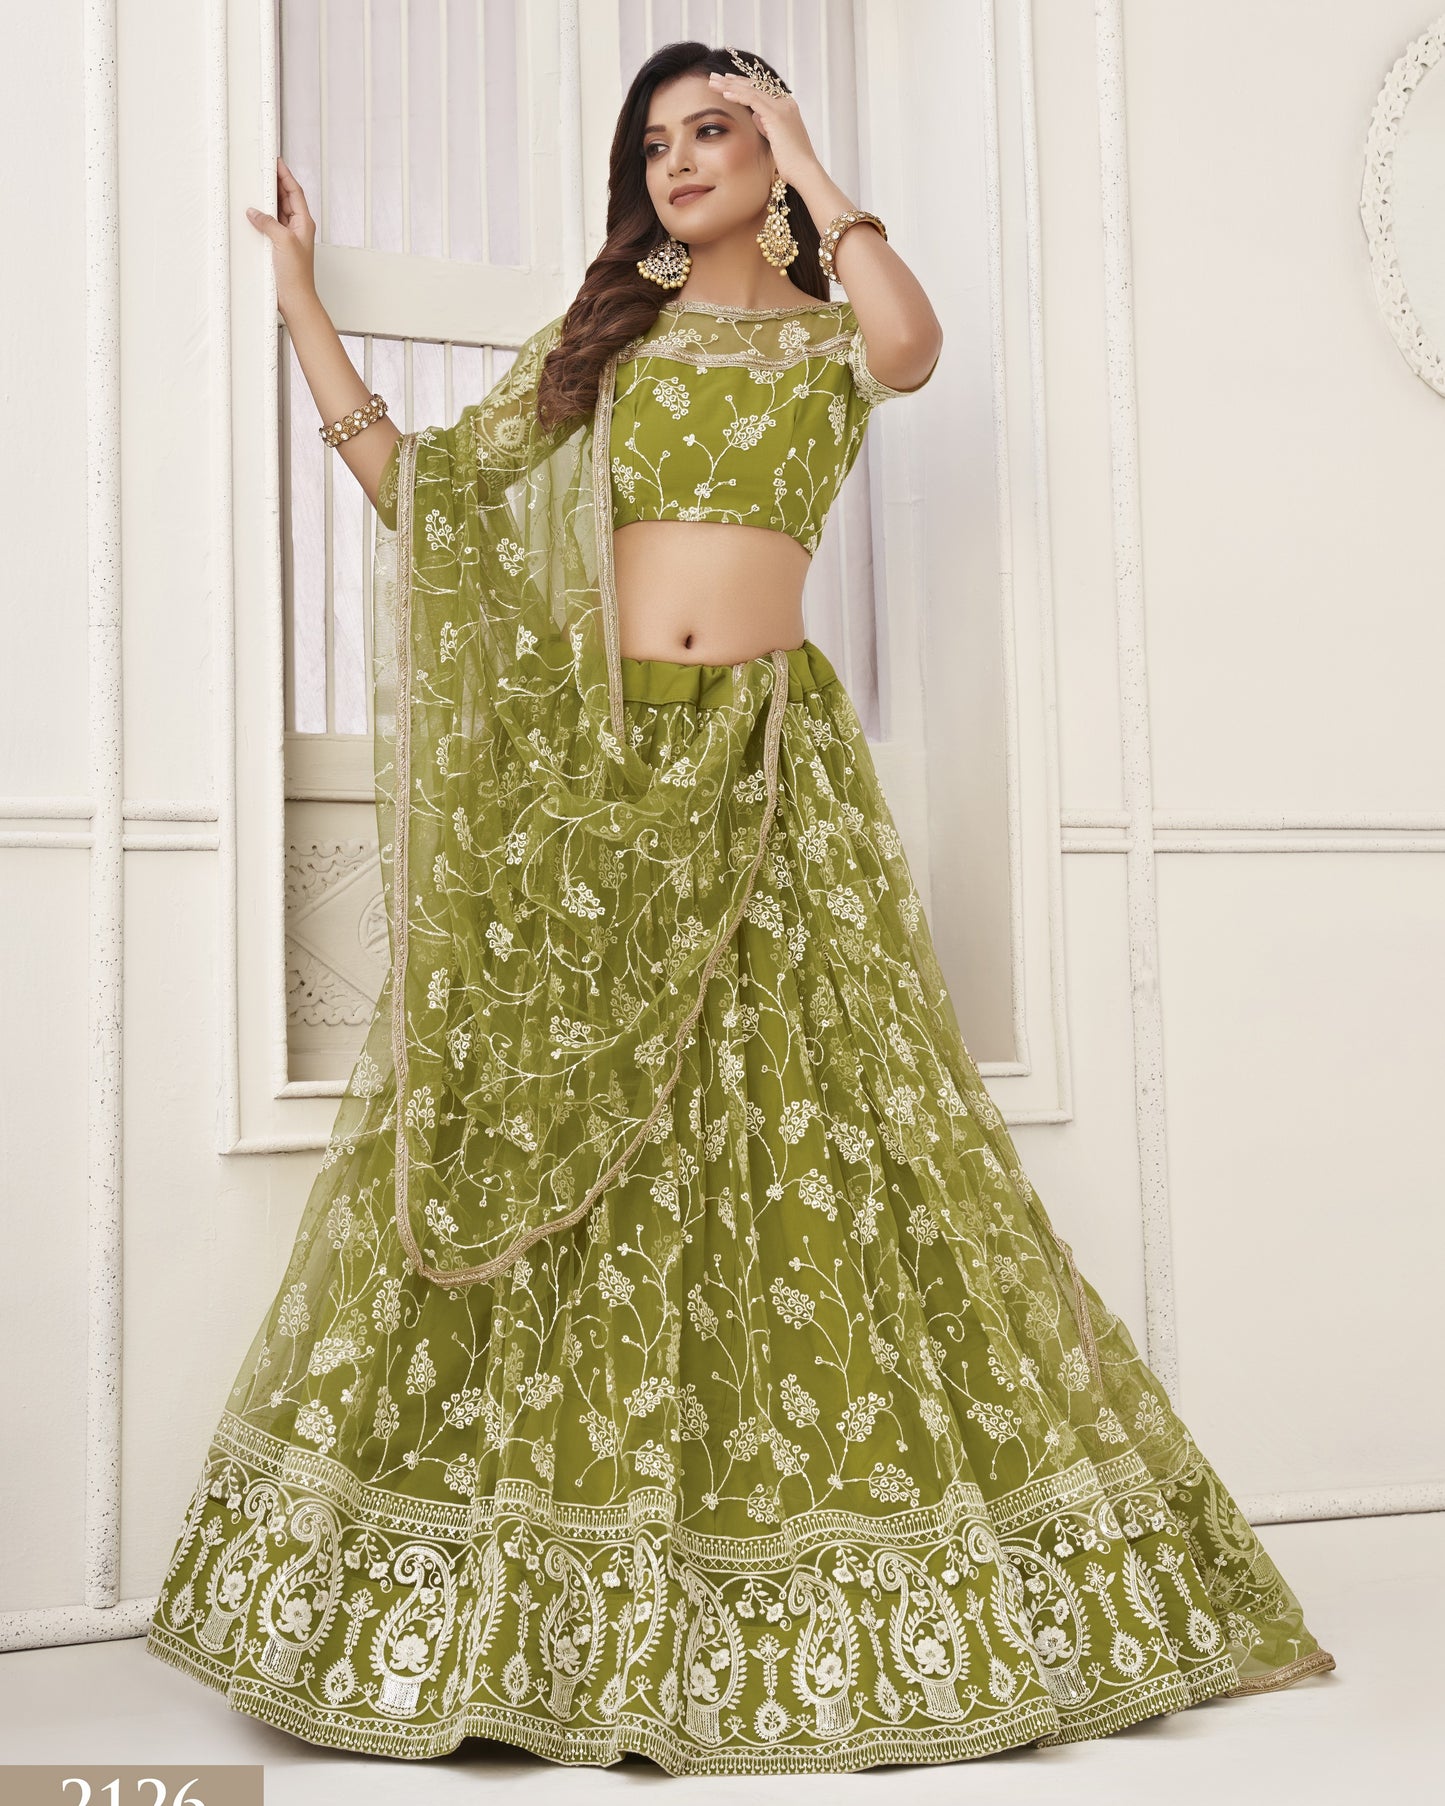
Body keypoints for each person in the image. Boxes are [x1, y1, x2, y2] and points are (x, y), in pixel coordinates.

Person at [144, 41, 1335, 1773]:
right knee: (575, 1178)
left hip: (772, 783)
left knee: (803, 1169)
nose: (683, 159)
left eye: (716, 130)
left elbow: (915, 346)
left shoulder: (827, 333)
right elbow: (436, 509)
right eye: (659, 140)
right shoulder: (600, 348)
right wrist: (304, 306)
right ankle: (541, 1602)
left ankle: (787, 1586)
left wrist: (810, 159)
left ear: (770, 153)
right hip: (595, 795)